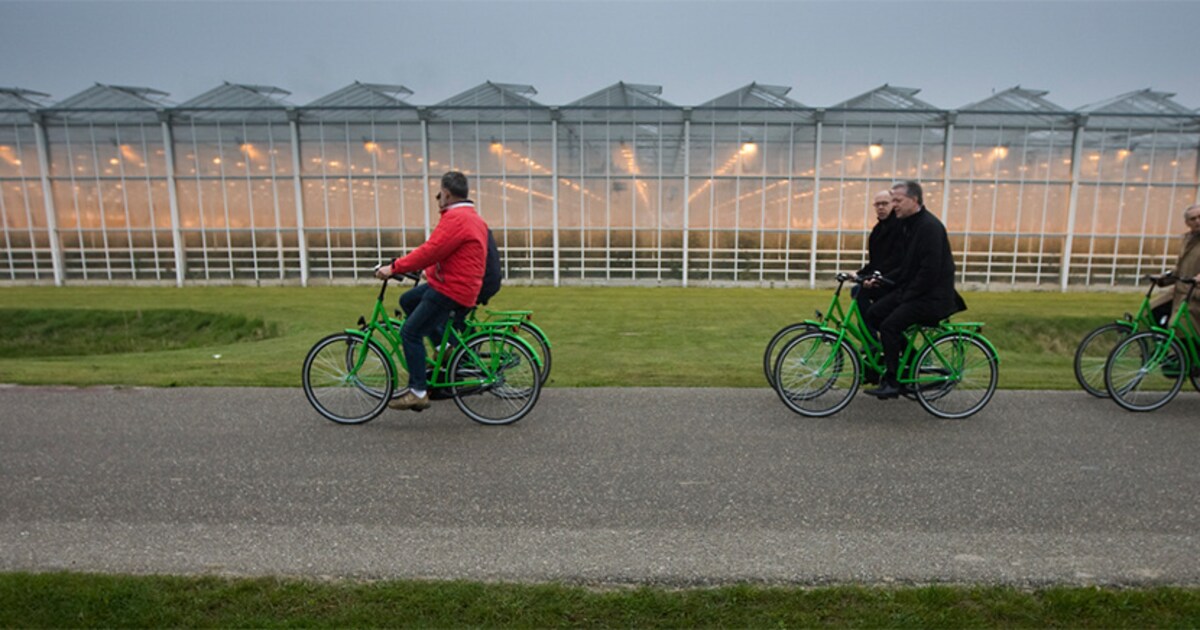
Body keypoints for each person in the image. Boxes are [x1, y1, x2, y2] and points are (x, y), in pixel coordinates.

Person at [374, 171, 489, 411]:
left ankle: (418, 391)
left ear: (446, 194)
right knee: (408, 300)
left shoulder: (456, 219)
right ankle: (444, 349)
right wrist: (426, 270)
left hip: (452, 289)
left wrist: (393, 268)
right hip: (456, 284)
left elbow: (430, 250)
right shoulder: (471, 217)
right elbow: (444, 253)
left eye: (440, 193)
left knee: (410, 333)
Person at [862, 181, 966, 399]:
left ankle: (892, 381)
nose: (894, 205)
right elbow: (905, 267)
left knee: (889, 325)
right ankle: (905, 363)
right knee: (874, 314)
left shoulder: (929, 227)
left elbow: (929, 271)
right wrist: (881, 280)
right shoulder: (909, 225)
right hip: (916, 292)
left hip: (932, 297)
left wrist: (904, 297)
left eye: (897, 201)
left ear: (914, 200)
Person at [851, 190, 904, 314]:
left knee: (860, 292)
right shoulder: (877, 230)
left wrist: (876, 275)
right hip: (882, 278)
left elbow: (897, 258)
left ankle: (871, 331)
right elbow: (875, 261)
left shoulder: (901, 227)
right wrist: (860, 274)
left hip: (896, 281)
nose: (880, 207)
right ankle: (870, 330)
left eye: (885, 203)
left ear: (893, 204)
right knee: (859, 291)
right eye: (877, 204)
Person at [1149, 203, 1200, 329]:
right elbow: (1181, 268)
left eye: (1199, 217)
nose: (1197, 221)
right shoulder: (1187, 240)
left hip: (1195, 294)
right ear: (1187, 223)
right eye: (1193, 219)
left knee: (1180, 325)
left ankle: (1181, 347)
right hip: (1181, 291)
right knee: (1153, 310)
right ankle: (1166, 345)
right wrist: (1163, 279)